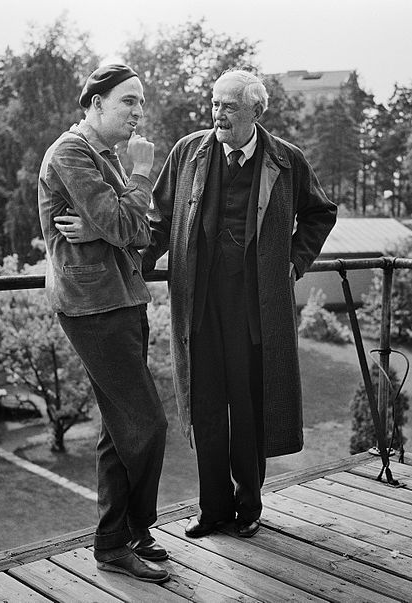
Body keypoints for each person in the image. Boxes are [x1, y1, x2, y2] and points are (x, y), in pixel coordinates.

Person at [140, 69, 337, 539]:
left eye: (228, 106)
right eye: (214, 104)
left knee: (250, 410)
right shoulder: (188, 151)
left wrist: (292, 262)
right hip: (199, 306)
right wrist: (136, 265)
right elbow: (159, 219)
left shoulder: (286, 160)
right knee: (206, 410)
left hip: (256, 308)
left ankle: (249, 508)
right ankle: (213, 513)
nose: (218, 114)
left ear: (257, 111)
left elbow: (320, 212)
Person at [37, 64, 169, 584]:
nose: (139, 113)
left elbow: (136, 231)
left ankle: (122, 538)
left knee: (120, 428)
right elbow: (125, 223)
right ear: (95, 104)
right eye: (128, 102)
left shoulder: (103, 157)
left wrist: (105, 226)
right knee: (148, 423)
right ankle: (126, 532)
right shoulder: (70, 153)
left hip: (123, 301)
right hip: (94, 307)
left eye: (140, 103)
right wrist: (138, 177)